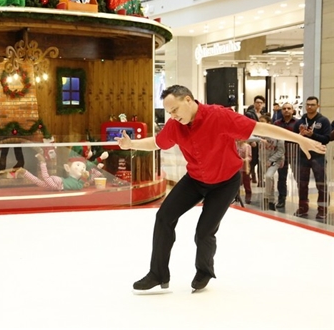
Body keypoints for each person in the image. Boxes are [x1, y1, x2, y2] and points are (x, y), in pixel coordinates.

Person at [115, 85, 326, 293]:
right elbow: (157, 143)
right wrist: (130, 144)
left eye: (175, 110)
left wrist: (300, 139)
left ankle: (204, 271)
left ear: (188, 100)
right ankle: (158, 274)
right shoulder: (175, 125)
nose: (173, 116)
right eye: (169, 112)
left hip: (225, 182)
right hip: (196, 179)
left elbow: (260, 128)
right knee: (163, 216)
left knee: (204, 232)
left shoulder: (219, 116)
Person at [293, 96, 331, 220]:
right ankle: (303, 207)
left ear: (317, 106)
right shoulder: (300, 121)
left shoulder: (323, 121)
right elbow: (293, 137)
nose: (309, 107)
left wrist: (312, 135)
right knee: (302, 184)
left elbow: (327, 139)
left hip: (318, 156)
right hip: (303, 156)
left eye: (312, 105)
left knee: (321, 184)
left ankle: (322, 209)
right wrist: (300, 135)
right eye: (308, 104)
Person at [258, 114, 285, 210]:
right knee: (269, 180)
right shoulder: (259, 133)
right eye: (259, 121)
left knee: (269, 176)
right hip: (264, 159)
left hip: (275, 160)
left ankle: (267, 197)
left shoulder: (277, 134)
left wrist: (270, 160)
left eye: (263, 121)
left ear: (269, 123)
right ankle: (271, 200)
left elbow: (281, 151)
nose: (260, 123)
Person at [273, 102, 297, 208]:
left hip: (295, 155)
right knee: (282, 178)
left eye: (289, 108)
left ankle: (303, 202)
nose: (286, 110)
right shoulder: (277, 124)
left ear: (292, 110)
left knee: (299, 178)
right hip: (281, 155)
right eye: (284, 108)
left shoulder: (298, 123)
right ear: (281, 110)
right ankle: (281, 199)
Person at [236, 139, 252, 204]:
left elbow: (249, 157)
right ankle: (236, 195)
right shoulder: (234, 145)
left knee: (246, 182)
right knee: (237, 182)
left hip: (245, 167)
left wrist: (244, 160)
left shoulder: (247, 146)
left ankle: (248, 195)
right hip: (236, 167)